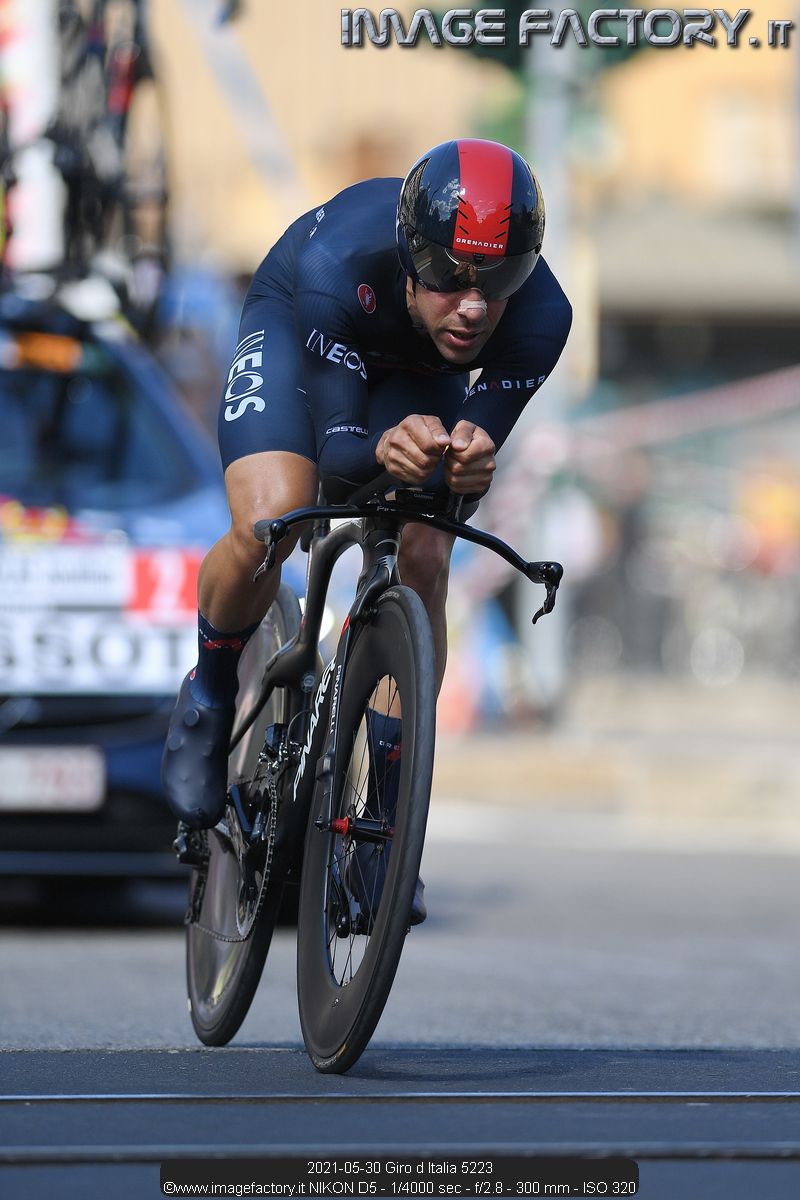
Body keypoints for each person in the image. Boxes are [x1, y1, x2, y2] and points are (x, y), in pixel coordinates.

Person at [161, 138, 572, 921]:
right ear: (413, 257)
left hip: (418, 372)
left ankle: (387, 799)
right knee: (274, 517)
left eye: (499, 281)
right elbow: (344, 463)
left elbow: (468, 465)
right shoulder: (339, 260)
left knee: (428, 548)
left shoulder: (542, 314)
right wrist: (384, 448)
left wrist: (467, 462)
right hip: (305, 330)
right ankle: (209, 694)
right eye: (451, 277)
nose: (475, 306)